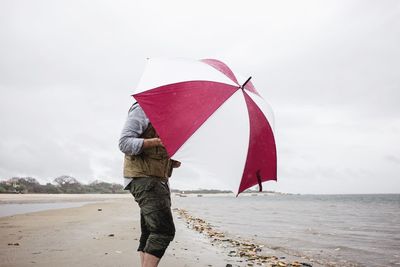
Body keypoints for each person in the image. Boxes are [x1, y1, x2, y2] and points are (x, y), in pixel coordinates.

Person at [119, 102, 180, 267]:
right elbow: (124, 143)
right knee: (163, 231)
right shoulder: (143, 109)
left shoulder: (168, 118)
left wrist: (171, 161)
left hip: (156, 179)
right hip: (145, 179)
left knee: (150, 231)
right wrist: (156, 142)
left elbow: (157, 152)